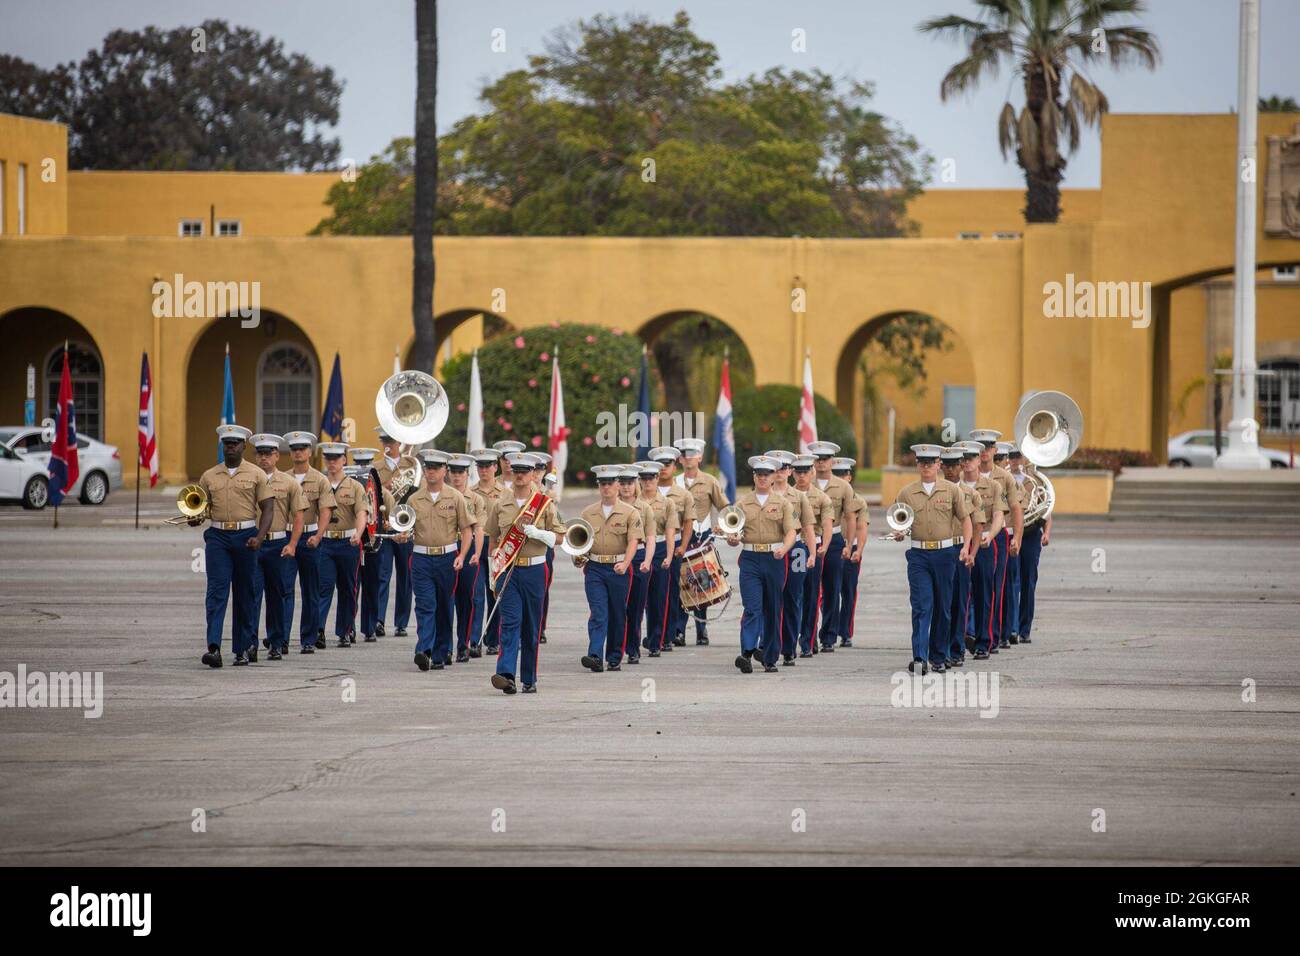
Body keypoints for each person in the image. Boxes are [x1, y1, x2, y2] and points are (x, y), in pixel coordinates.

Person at [886, 445, 973, 675]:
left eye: (930, 462)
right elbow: (899, 519)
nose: (926, 466)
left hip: (946, 554)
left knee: (944, 608)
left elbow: (965, 519)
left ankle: (939, 655)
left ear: (938, 465)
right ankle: (919, 658)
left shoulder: (952, 491)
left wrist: (965, 546)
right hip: (919, 555)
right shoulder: (906, 492)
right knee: (922, 606)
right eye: (922, 462)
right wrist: (899, 532)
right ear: (917, 465)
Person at [484, 453, 565, 694]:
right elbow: (493, 540)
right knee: (510, 623)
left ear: (532, 474)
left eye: (524, 471)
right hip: (508, 571)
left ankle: (529, 677)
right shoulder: (500, 504)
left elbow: (561, 536)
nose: (519, 475)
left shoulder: (545, 504)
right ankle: (506, 674)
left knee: (531, 627)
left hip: (534, 570)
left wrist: (541, 534)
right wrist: (492, 572)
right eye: (515, 470)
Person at [195, 424, 274, 668]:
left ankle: (241, 649)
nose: (231, 447)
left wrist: (260, 537)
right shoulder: (209, 476)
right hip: (218, 537)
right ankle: (214, 648)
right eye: (227, 443)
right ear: (222, 445)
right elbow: (199, 509)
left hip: (246, 537)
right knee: (217, 593)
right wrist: (194, 517)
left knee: (245, 594)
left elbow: (268, 508)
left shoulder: (256, 474)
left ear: (243, 446)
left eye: (235, 443)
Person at [724, 455, 797, 674]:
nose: (763, 478)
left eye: (767, 475)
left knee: (773, 608)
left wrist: (784, 548)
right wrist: (732, 538)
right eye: (759, 475)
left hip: (774, 558)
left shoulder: (783, 503)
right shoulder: (743, 503)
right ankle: (746, 652)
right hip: (750, 559)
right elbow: (733, 529)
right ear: (754, 477)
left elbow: (792, 530)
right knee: (752, 607)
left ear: (774, 477)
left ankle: (770, 657)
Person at [406, 450, 473, 670]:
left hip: (447, 557)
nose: (431, 472)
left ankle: (441, 652)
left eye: (435, 468)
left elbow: (466, 530)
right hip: (422, 557)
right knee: (425, 605)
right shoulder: (414, 499)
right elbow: (407, 528)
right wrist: (401, 533)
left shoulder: (455, 497)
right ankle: (424, 650)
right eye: (428, 468)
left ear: (445, 470)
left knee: (444, 606)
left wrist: (462, 556)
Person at [578, 464, 644, 673]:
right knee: (598, 611)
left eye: (610, 483)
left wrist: (625, 563)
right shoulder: (588, 513)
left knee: (617, 613)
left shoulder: (630, 512)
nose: (606, 487)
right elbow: (580, 540)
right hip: (595, 567)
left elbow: (634, 541)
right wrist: (578, 557)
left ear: (617, 485)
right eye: (602, 483)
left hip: (618, 567)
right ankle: (595, 655)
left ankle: (614, 656)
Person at [249, 433, 306, 661]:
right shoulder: (249, 479)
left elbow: (299, 515)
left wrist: (293, 544)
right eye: (259, 454)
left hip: (278, 543)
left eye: (268, 454)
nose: (263, 458)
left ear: (276, 456)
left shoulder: (289, 482)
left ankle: (276, 642)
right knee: (251, 595)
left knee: (277, 595)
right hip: (252, 543)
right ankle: (249, 643)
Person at [970, 429, 1023, 653]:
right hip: (969, 535)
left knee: (994, 587)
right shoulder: (967, 475)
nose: (984, 452)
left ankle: (994, 634)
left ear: (994, 450)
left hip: (997, 535)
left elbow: (1015, 508)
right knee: (969, 588)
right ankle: (971, 632)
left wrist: (1017, 538)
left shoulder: (1004, 476)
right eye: (979, 448)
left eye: (988, 447)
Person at [673, 436, 730, 645]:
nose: (689, 459)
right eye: (685, 455)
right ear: (679, 459)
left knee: (701, 583)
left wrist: (724, 526)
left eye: (693, 455)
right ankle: (678, 630)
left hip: (702, 536)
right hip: (680, 538)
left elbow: (725, 508)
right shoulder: (675, 482)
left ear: (700, 457)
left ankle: (701, 629)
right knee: (681, 584)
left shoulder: (709, 481)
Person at [282, 432, 334, 653]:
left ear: (310, 452)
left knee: (310, 590)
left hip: (311, 537)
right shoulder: (282, 478)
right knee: (284, 589)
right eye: (294, 449)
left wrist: (319, 535)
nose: (298, 452)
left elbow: (325, 511)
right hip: (285, 537)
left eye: (302, 449)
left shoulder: (320, 479)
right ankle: (281, 639)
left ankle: (309, 639)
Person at [765, 449, 815, 666]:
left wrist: (812, 553)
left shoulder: (799, 497)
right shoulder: (763, 494)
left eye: (784, 468)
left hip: (796, 550)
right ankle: (768, 643)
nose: (779, 472)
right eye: (775, 469)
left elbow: (808, 527)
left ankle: (788, 647)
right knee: (770, 599)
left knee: (793, 598)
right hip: (771, 550)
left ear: (790, 471)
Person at [317, 442, 368, 648]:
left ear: (344, 461)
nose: (332, 462)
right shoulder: (320, 484)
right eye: (328, 458)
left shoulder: (355, 486)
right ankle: (318, 629)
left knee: (348, 589)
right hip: (325, 541)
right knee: (323, 587)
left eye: (336, 458)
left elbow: (361, 512)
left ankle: (345, 631)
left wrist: (359, 533)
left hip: (348, 542)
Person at [961, 439, 1007, 661]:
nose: (967, 462)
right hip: (960, 544)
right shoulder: (953, 486)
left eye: (971, 458)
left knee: (984, 594)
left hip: (985, 543)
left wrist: (992, 534)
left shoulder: (993, 486)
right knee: (959, 594)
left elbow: (999, 514)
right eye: (963, 459)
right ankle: (959, 640)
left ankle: (983, 642)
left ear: (979, 459)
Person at [807, 441, 853, 652]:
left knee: (832, 589)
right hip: (810, 539)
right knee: (811, 590)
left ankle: (828, 636)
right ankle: (808, 637)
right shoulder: (806, 484)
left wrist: (849, 544)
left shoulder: (843, 486)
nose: (821, 463)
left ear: (832, 461)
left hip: (834, 540)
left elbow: (850, 517)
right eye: (817, 459)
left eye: (825, 459)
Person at [374, 428, 420, 638]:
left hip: (405, 524)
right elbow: (371, 494)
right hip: (385, 526)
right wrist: (386, 486)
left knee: (405, 576)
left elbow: (418, 494)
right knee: (382, 575)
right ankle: (379, 620)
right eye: (384, 440)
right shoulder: (376, 467)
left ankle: (401, 623)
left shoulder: (411, 465)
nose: (388, 444)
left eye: (391, 440)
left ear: (398, 442)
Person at [940, 445, 981, 668]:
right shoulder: (934, 490)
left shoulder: (971, 494)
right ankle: (941, 648)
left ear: (961, 466)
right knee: (942, 602)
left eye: (954, 465)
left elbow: (977, 526)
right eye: (946, 465)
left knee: (960, 601)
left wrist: (972, 552)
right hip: (940, 550)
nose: (950, 470)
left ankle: (956, 649)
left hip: (960, 549)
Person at [650, 445, 695, 647]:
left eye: (667, 464)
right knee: (650, 595)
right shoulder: (647, 490)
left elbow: (688, 522)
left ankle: (668, 634)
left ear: (674, 465)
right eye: (659, 465)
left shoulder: (683, 494)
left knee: (670, 592)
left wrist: (683, 546)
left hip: (673, 544)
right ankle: (654, 633)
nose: (663, 469)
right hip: (648, 545)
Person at [352, 447, 396, 643]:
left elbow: (391, 517)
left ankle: (369, 627)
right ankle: (349, 626)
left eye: (365, 465)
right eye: (358, 464)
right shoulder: (349, 487)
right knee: (352, 586)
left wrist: (388, 524)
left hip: (373, 542)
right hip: (352, 542)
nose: (362, 468)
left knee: (372, 584)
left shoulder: (382, 492)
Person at [791, 455, 832, 658]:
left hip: (811, 547)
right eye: (798, 472)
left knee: (811, 595)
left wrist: (824, 544)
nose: (801, 476)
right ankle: (790, 639)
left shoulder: (821, 497)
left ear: (812, 472)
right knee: (793, 595)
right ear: (792, 472)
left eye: (805, 472)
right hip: (790, 548)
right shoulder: (784, 495)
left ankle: (807, 640)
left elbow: (826, 524)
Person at [447, 453, 486, 661]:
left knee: (466, 600)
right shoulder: (444, 495)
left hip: (468, 547)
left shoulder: (476, 499)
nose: (456, 476)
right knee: (445, 600)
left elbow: (478, 528)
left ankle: (463, 643)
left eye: (460, 472)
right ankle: (444, 645)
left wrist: (478, 553)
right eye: (453, 472)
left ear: (467, 474)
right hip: (447, 547)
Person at [637, 460, 678, 658]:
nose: (647, 482)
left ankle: (655, 641)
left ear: (657, 478)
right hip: (638, 548)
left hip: (660, 548)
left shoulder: (667, 502)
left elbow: (670, 532)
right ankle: (632, 642)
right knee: (636, 598)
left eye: (651, 478)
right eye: (643, 478)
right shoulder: (632, 501)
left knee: (658, 598)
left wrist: (669, 556)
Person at [1011, 449, 1051, 645]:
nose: (1014, 460)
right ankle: (1011, 628)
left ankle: (1025, 629)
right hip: (1011, 534)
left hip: (1031, 534)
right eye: (1011, 457)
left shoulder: (1036, 480)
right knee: (1012, 581)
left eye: (1017, 456)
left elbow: (1046, 510)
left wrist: (1046, 533)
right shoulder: (1001, 479)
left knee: (1028, 582)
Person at [619, 464, 655, 665]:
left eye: (630, 483)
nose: (626, 487)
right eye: (622, 483)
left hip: (639, 558)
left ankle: (632, 648)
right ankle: (616, 647)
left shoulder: (645, 508)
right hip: (617, 557)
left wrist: (648, 561)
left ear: (636, 484)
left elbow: (650, 537)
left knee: (635, 607)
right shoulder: (612, 506)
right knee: (617, 607)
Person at [472, 448, 505, 653]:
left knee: (495, 592)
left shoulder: (505, 493)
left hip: (497, 545)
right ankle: (474, 641)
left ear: (495, 467)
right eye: (480, 467)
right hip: (477, 544)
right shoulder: (469, 492)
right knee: (476, 595)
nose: (484, 471)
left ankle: (492, 640)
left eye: (487, 466)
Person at [831, 456, 865, 648]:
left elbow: (861, 528)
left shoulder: (858, 501)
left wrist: (858, 549)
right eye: (836, 474)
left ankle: (846, 632)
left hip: (851, 549)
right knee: (829, 591)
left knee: (848, 592)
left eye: (842, 474)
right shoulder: (827, 497)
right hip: (832, 547)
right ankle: (830, 628)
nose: (839, 478)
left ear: (849, 477)